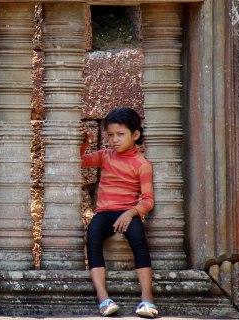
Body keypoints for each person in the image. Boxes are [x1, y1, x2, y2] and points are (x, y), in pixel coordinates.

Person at [80, 107, 158, 318]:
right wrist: (84, 144)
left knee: (139, 243)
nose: (114, 139)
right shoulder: (105, 156)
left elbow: (148, 201)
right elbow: (81, 161)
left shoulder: (142, 164)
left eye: (120, 134)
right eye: (110, 134)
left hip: (128, 212)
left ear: (135, 135)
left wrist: (131, 213)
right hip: (104, 212)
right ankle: (103, 297)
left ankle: (147, 298)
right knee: (93, 238)